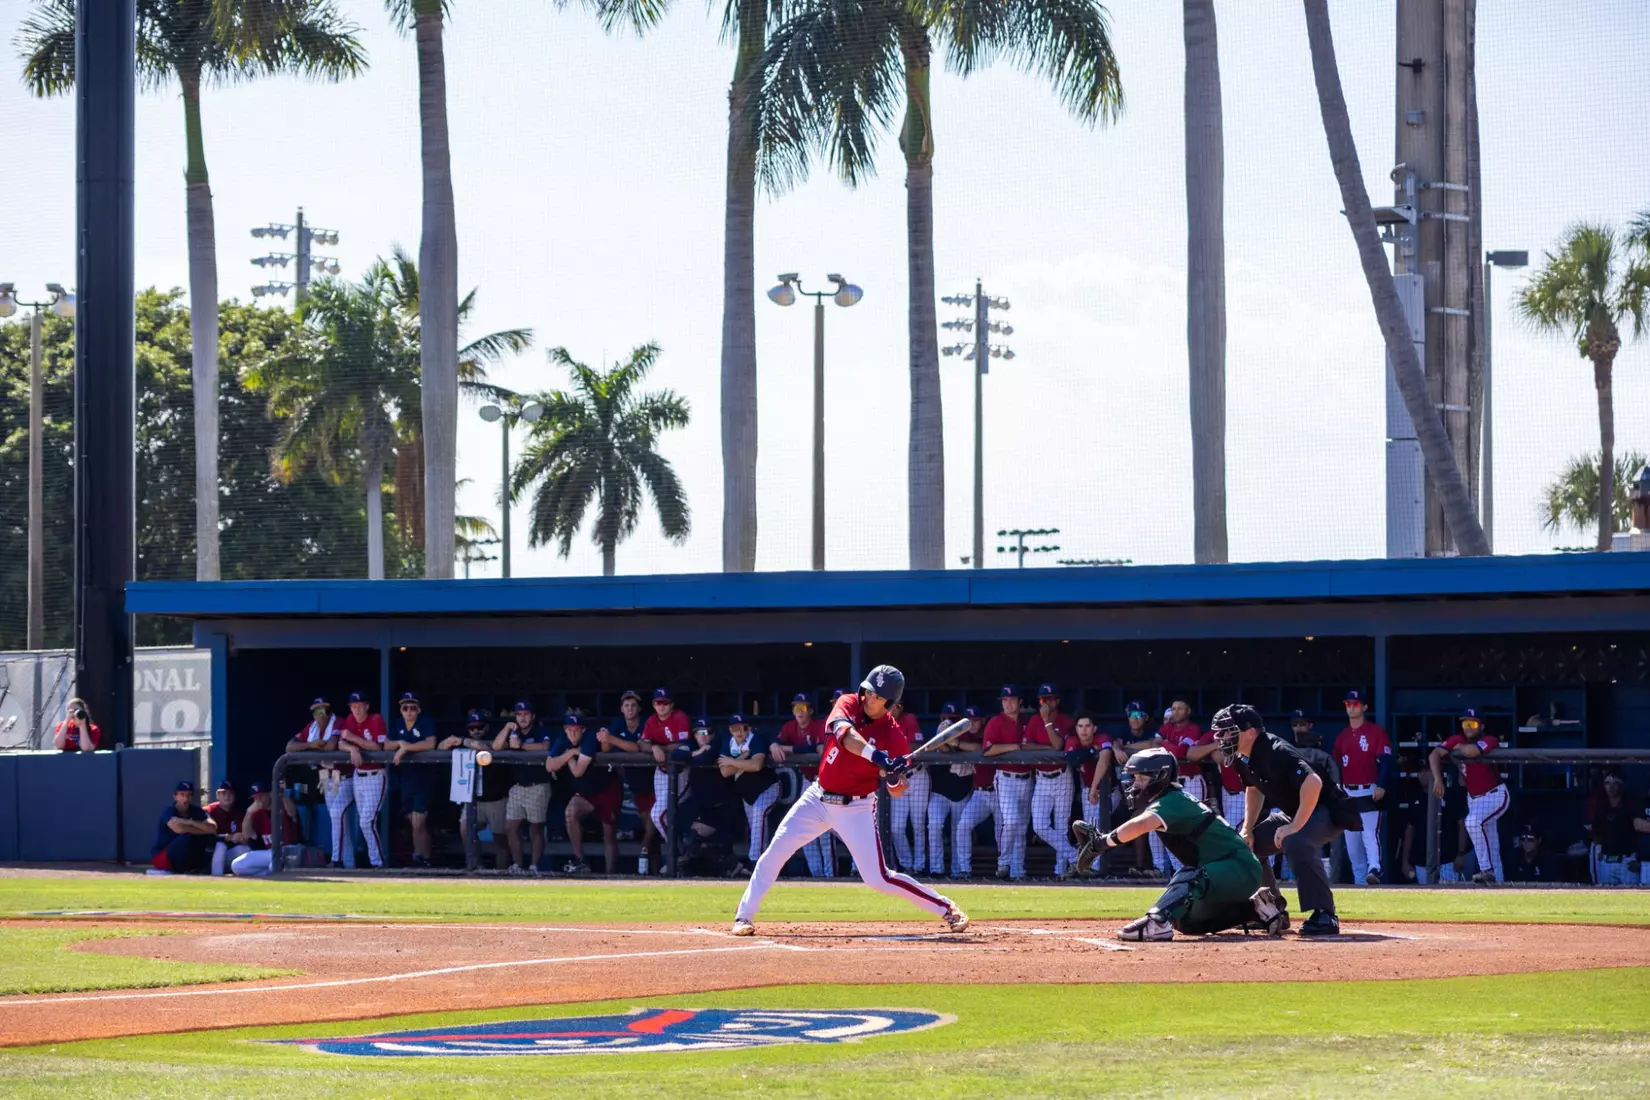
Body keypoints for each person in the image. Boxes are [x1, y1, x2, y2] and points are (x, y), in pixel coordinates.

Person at [731, 665, 968, 936]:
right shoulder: (848, 703)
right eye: (868, 691)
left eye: (877, 697)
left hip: (857, 807)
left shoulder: (894, 737)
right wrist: (877, 756)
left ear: (890, 704)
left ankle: (945, 907)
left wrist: (892, 777)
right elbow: (846, 736)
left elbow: (899, 790)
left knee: (879, 878)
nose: (869, 698)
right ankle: (744, 917)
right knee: (773, 854)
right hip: (817, 798)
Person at [1074, 748, 1286, 941]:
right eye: (1134, 778)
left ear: (1160, 777)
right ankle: (1256, 910)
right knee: (1185, 921)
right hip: (1225, 869)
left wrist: (1102, 843)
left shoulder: (1172, 800)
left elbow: (1140, 825)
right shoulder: (1168, 799)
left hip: (1238, 866)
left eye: (1140, 777)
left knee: (1189, 876)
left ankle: (1156, 921)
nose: (1135, 784)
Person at [1216, 703, 1359, 937]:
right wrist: (1247, 829)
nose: (1223, 737)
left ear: (1249, 732)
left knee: (1296, 840)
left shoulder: (1274, 750)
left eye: (1229, 731)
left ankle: (1325, 914)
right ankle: (1272, 912)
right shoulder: (1243, 756)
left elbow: (1313, 782)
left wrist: (1294, 826)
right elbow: (1253, 788)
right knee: (1247, 847)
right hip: (1299, 810)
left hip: (1328, 808)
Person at [1430, 708, 1508, 884]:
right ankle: (1500, 885)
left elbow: (1473, 752)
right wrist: (1437, 779)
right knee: (1492, 845)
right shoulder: (1457, 739)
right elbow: (1434, 754)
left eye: (1472, 724)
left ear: (1481, 725)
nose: (1468, 728)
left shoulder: (1489, 739)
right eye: (1465, 723)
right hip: (1473, 798)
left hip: (1495, 795)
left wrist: (1458, 748)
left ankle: (1485, 869)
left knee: (1471, 822)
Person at [1331, 690, 1392, 886]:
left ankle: (1374, 868)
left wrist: (1381, 785)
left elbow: (1385, 761)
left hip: (1369, 790)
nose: (1351, 707)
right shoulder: (1342, 736)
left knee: (1369, 833)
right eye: (1348, 704)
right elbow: (1335, 764)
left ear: (1364, 707)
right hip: (1348, 792)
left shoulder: (1376, 732)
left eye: (1355, 704)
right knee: (1352, 841)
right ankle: (1360, 882)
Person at [286, 697, 353, 867]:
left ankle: (338, 860)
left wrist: (311, 747)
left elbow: (331, 747)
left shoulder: (338, 722)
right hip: (327, 776)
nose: (321, 715)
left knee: (340, 816)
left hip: (346, 776)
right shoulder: (312, 727)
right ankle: (349, 864)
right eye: (317, 712)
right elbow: (289, 747)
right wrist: (312, 744)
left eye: (324, 711)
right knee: (338, 821)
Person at [550, 714, 621, 875]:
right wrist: (570, 754)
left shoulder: (589, 738)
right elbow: (549, 766)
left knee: (608, 834)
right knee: (570, 812)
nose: (572, 733)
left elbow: (577, 771)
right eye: (569, 730)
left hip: (607, 788)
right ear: (565, 730)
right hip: (586, 792)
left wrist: (566, 757)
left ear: (583, 730)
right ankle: (580, 860)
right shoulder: (562, 739)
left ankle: (611, 875)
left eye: (576, 730)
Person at [440, 710, 511, 870]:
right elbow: (439, 747)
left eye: (479, 727)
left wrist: (463, 740)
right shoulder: (463, 741)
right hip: (473, 800)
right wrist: (448, 742)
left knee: (500, 838)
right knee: (466, 830)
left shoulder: (495, 738)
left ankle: (502, 874)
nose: (476, 731)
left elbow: (486, 748)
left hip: (496, 799)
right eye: (472, 728)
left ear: (486, 727)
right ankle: (477, 867)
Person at [597, 690, 656, 874]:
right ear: (621, 709)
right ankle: (652, 870)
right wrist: (607, 738)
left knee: (653, 828)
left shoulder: (648, 723)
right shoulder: (618, 724)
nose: (630, 709)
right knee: (648, 827)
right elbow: (605, 748)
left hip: (656, 781)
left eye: (633, 705)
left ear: (638, 708)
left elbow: (636, 746)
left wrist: (612, 739)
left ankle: (654, 866)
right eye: (626, 705)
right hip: (636, 784)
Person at [776, 693, 835, 878]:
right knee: (805, 831)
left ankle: (831, 876)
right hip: (808, 782)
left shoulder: (819, 725)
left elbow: (818, 749)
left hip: (826, 781)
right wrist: (774, 746)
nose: (799, 712)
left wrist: (789, 749)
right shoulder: (790, 727)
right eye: (795, 708)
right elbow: (776, 743)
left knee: (825, 833)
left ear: (810, 711)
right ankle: (816, 876)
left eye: (802, 708)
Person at [1025, 684, 1080, 878]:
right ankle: (1075, 856)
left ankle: (1061, 870)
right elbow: (1026, 746)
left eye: (1050, 699)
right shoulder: (1033, 720)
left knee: (1061, 826)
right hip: (1042, 778)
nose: (1047, 703)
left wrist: (1047, 723)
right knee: (1039, 826)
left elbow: (1058, 746)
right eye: (1043, 700)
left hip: (1062, 776)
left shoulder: (1066, 721)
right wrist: (1045, 749)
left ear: (1057, 701)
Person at [718, 713, 779, 877]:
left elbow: (757, 765)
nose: (739, 732)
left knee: (759, 817)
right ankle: (766, 866)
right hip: (747, 792)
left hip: (768, 788)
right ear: (730, 730)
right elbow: (725, 771)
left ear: (749, 728)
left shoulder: (756, 739)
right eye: (735, 729)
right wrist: (744, 757)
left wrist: (733, 761)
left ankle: (755, 863)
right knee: (756, 828)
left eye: (743, 728)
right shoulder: (728, 743)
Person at [982, 685, 1032, 880]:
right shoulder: (995, 722)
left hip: (1027, 778)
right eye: (1005, 700)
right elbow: (988, 751)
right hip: (1006, 778)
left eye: (1012, 700)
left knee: (1021, 826)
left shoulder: (1027, 721)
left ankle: (1018, 869)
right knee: (1010, 821)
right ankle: (1003, 863)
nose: (1008, 704)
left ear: (1019, 702)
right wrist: (1014, 747)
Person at [496, 699, 552, 875]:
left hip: (538, 785)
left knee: (535, 827)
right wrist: (506, 728)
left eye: (526, 714)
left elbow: (546, 747)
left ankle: (534, 866)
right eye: (519, 714)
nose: (522, 718)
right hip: (518, 786)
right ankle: (518, 864)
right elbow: (496, 747)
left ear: (532, 715)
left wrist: (522, 746)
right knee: (510, 827)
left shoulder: (540, 729)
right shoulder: (513, 732)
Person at [337, 691, 389, 869]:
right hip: (359, 776)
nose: (357, 710)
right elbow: (340, 743)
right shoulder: (350, 720)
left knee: (367, 821)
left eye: (360, 706)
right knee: (363, 821)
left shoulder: (376, 719)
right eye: (353, 706)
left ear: (367, 706)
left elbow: (377, 746)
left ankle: (378, 862)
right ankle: (371, 860)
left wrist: (352, 739)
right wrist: (352, 748)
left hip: (376, 776)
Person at [386, 692, 437, 868]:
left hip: (423, 779)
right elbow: (386, 744)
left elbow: (431, 743)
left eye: (412, 708)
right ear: (401, 710)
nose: (409, 711)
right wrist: (401, 744)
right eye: (405, 708)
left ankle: (425, 857)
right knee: (413, 822)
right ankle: (419, 856)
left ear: (418, 710)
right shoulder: (398, 724)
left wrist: (407, 748)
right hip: (405, 780)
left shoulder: (426, 722)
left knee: (418, 821)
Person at [642, 688, 693, 858]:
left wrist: (659, 747)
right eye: (658, 703)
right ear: (653, 705)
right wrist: (654, 747)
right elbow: (642, 744)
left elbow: (681, 744)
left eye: (665, 703)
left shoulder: (680, 718)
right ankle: (679, 853)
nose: (661, 706)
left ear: (671, 704)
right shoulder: (651, 720)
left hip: (680, 773)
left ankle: (677, 854)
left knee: (659, 814)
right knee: (663, 815)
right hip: (661, 772)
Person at [674, 718, 731, 870]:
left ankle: (732, 867)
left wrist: (692, 757)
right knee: (679, 827)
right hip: (699, 804)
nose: (704, 736)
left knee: (703, 841)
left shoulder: (718, 745)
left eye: (708, 732)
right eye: (700, 732)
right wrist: (696, 752)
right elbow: (675, 755)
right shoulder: (692, 745)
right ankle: (682, 866)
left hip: (720, 806)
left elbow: (706, 758)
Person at [926, 706, 976, 877]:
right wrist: (942, 737)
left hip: (961, 793)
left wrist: (953, 740)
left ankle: (958, 870)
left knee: (958, 831)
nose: (949, 722)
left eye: (953, 719)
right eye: (946, 718)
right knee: (934, 825)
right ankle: (936, 868)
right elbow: (935, 749)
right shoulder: (936, 734)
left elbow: (971, 749)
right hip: (940, 793)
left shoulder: (966, 737)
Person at [952, 707, 995, 878]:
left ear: (983, 721)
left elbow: (981, 748)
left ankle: (1008, 869)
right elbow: (948, 750)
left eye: (976, 720)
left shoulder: (990, 731)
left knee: (1005, 830)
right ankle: (964, 869)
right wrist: (948, 738)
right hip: (980, 794)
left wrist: (958, 744)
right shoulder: (964, 735)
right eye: (970, 721)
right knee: (963, 825)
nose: (973, 724)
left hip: (1001, 792)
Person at [1586, 768, 1648, 885]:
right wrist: (1600, 850)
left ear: (1622, 784)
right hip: (1607, 860)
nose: (1611, 787)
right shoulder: (1601, 807)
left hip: (1627, 860)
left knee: (1631, 898)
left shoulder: (1631, 804)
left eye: (1615, 783)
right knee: (1606, 898)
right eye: (1607, 783)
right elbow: (1596, 832)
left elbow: (1641, 828)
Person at [230, 783, 305, 876]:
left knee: (273, 866)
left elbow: (292, 813)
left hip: (290, 851)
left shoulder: (283, 805)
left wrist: (282, 795)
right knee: (237, 865)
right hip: (270, 853)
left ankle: (275, 874)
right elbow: (246, 835)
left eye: (261, 796)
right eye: (255, 798)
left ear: (270, 794)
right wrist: (248, 813)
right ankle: (267, 875)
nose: (258, 800)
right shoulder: (256, 814)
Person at [148, 780, 218, 875]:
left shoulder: (196, 811)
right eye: (182, 794)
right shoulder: (169, 811)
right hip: (162, 857)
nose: (186, 798)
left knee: (210, 838)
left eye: (189, 795)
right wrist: (202, 829)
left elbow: (213, 828)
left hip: (185, 855)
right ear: (175, 796)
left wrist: (188, 822)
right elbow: (179, 829)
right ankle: (178, 870)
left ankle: (199, 868)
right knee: (186, 836)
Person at [1065, 713, 1112, 834]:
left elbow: (1105, 759)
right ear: (1076, 728)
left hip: (1108, 791)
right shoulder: (1072, 740)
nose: (1083, 730)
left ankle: (1099, 851)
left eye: (1087, 726)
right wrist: (1092, 750)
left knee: (1094, 825)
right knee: (1090, 827)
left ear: (1094, 728)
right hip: (1088, 789)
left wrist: (1094, 788)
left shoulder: (1102, 737)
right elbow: (1073, 759)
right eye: (1080, 726)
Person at [204, 780, 250, 876]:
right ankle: (217, 878)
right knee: (220, 846)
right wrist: (227, 837)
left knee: (245, 849)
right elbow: (206, 837)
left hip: (226, 856)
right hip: (208, 856)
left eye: (230, 793)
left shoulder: (238, 813)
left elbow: (244, 835)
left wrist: (241, 838)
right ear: (218, 795)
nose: (227, 796)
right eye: (223, 793)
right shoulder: (209, 811)